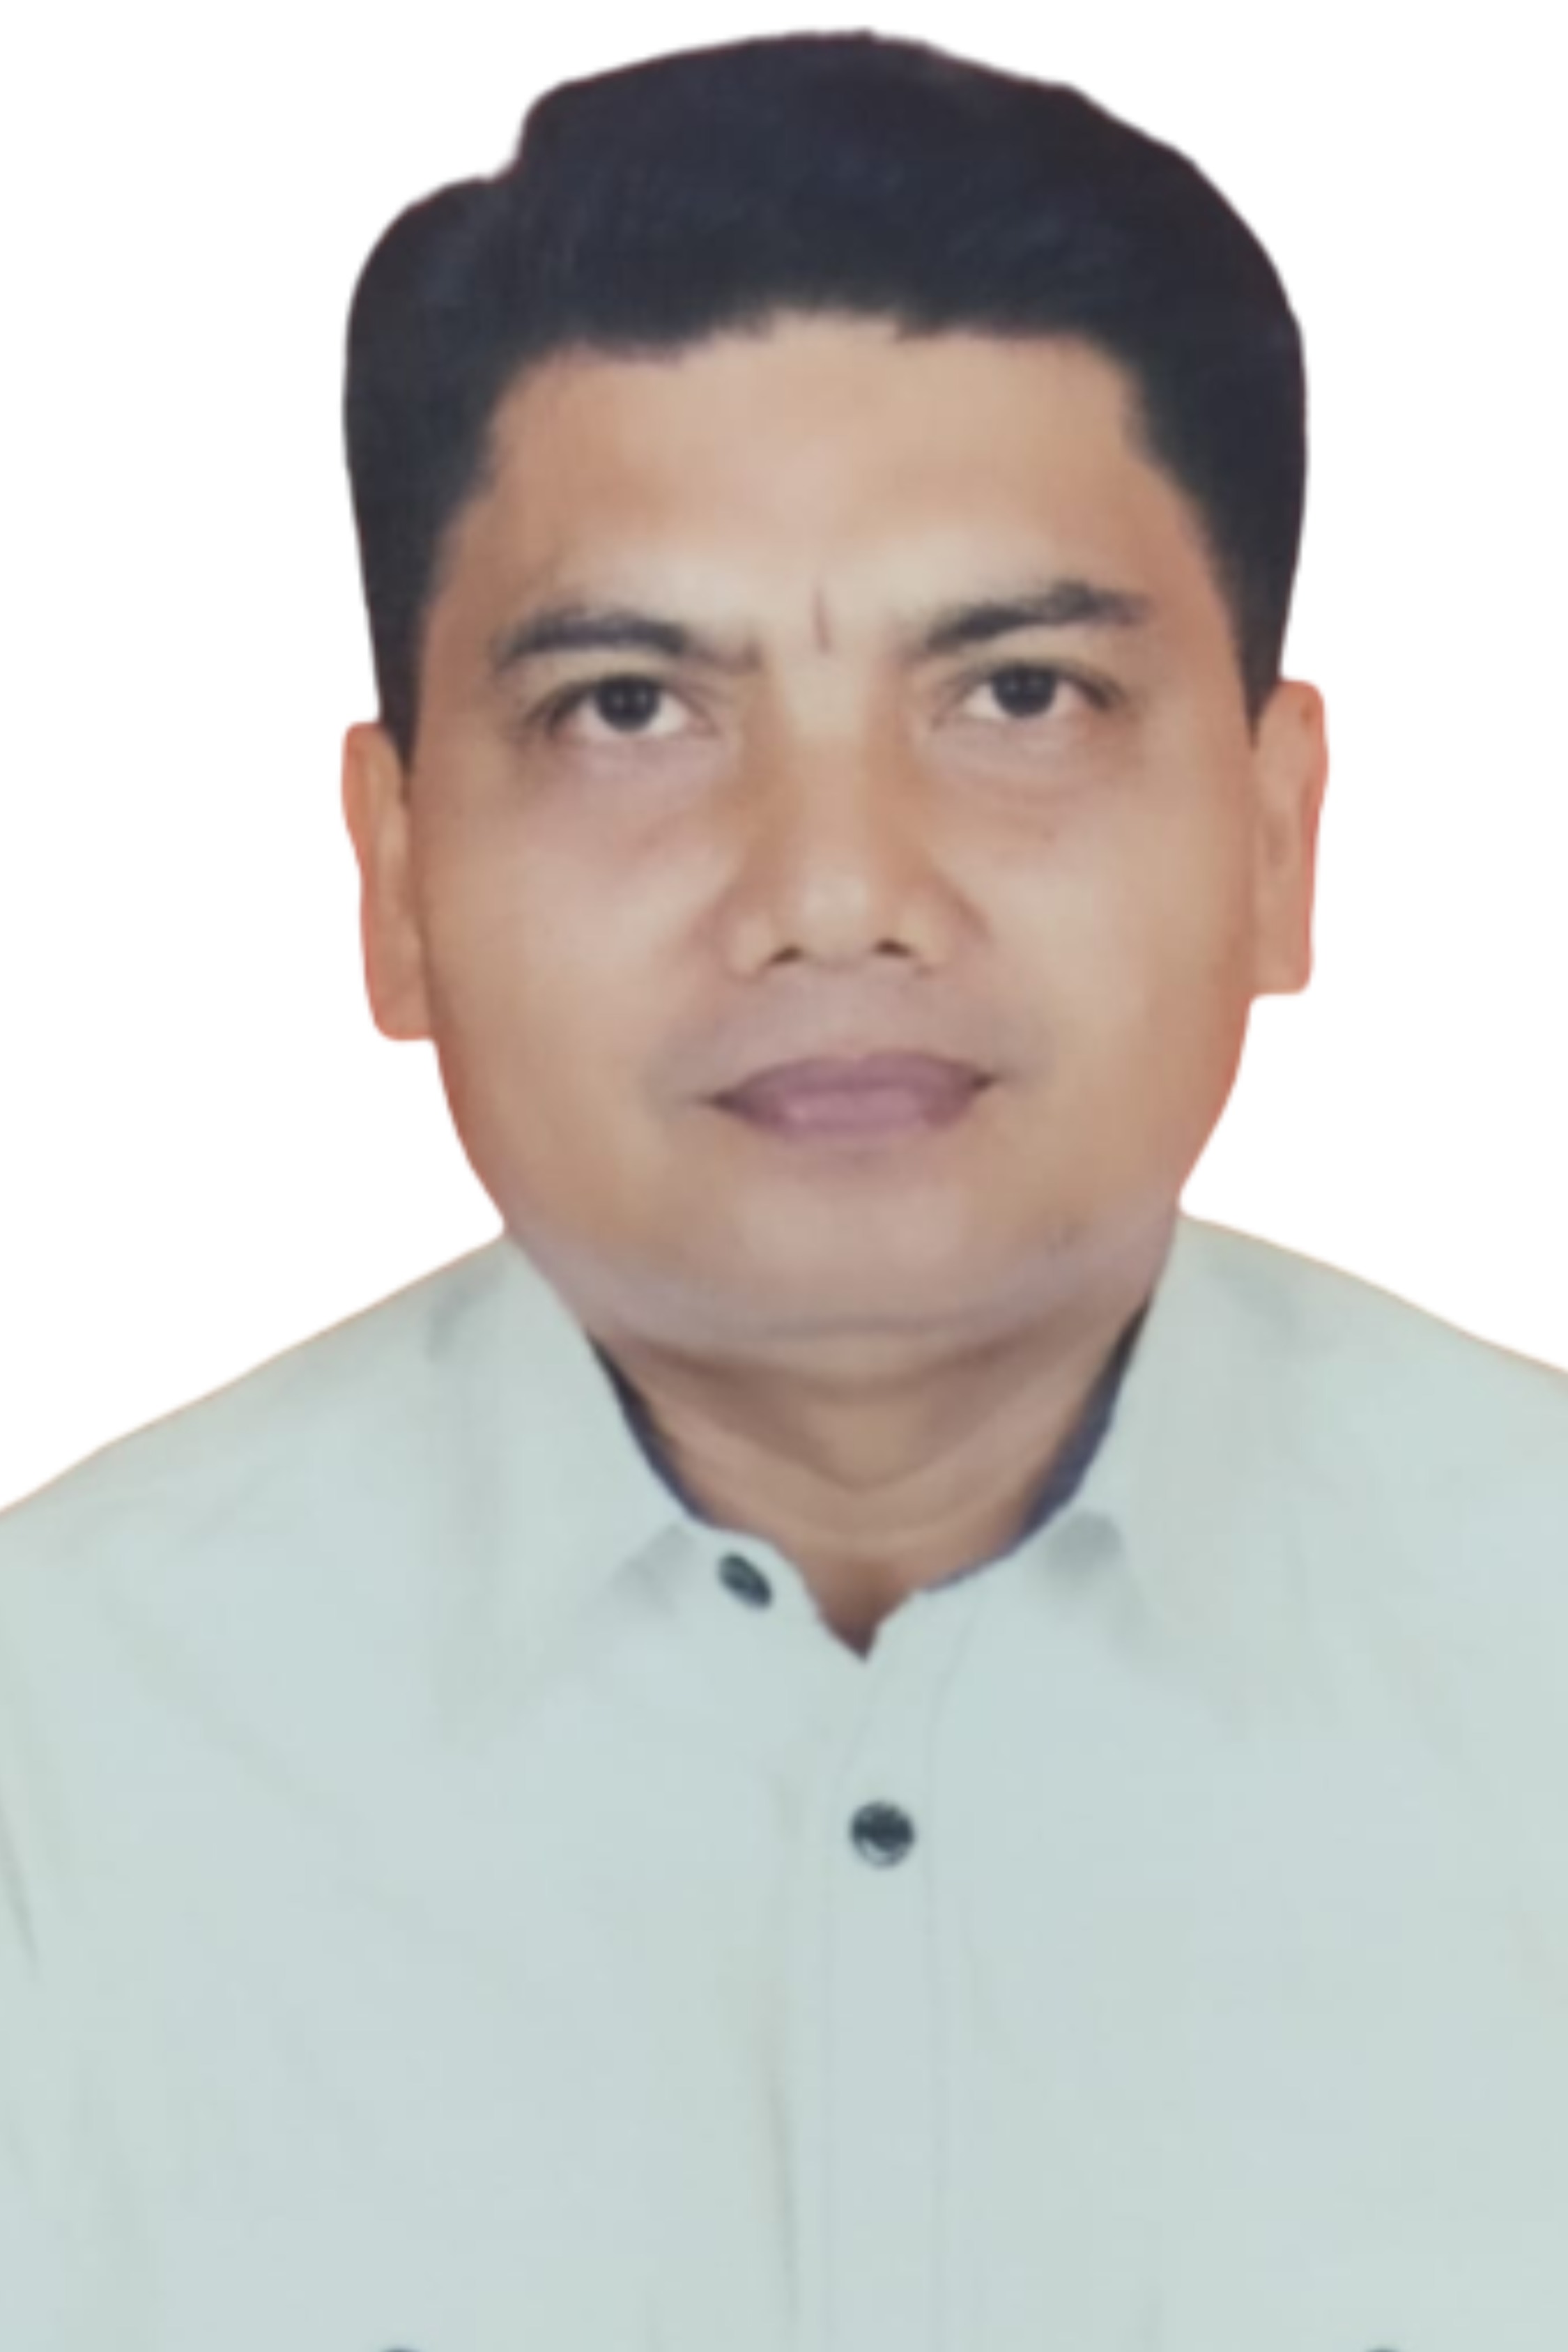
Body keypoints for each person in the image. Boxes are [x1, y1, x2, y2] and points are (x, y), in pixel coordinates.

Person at [3, 28, 1567, 2352]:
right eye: (630, 709)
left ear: (1274, 834)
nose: (834, 894)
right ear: (395, 877)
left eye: (1017, 695)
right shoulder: (53, 1776)